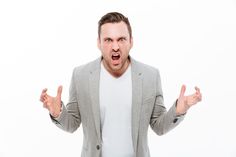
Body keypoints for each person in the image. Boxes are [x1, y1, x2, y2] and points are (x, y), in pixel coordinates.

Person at [40, 12, 202, 157]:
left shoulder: (150, 76)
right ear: (99, 43)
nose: (115, 47)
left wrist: (179, 110)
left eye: (121, 39)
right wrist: (58, 112)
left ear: (131, 41)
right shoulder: (81, 75)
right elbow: (72, 124)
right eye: (108, 40)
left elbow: (159, 126)